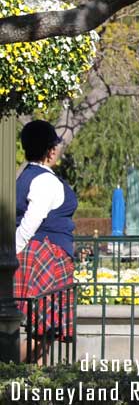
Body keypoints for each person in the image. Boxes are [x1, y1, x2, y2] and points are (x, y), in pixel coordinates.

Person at [14, 120, 77, 363]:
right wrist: (14, 255)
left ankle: (34, 388)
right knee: (45, 332)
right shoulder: (45, 181)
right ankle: (7, 366)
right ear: (51, 150)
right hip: (46, 257)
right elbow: (31, 222)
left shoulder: (25, 176)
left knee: (42, 332)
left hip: (37, 254)